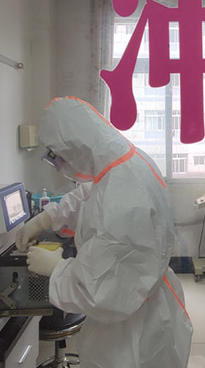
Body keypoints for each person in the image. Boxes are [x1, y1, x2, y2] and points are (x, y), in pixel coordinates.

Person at [16, 96, 192, 368]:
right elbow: (91, 193)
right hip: (140, 306)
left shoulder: (124, 200)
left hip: (128, 330)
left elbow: (101, 293)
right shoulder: (123, 163)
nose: (61, 164)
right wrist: (47, 217)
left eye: (59, 156)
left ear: (76, 147)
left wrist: (57, 269)